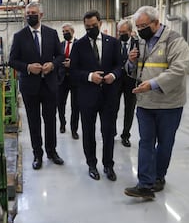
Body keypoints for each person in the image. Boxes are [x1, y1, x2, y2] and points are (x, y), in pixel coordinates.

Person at [124, 6, 189, 199]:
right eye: (137, 27)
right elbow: (134, 71)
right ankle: (145, 184)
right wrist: (130, 62)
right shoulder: (141, 42)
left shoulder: (175, 41)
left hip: (169, 104)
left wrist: (152, 84)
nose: (140, 30)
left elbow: (179, 70)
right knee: (145, 142)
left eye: (143, 25)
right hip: (145, 103)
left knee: (164, 143)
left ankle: (159, 177)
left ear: (156, 22)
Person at [9, 2, 64, 170]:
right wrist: (27, 67)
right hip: (29, 86)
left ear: (41, 15)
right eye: (27, 13)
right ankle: (37, 154)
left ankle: (51, 151)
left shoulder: (51, 33)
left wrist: (53, 65)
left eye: (33, 13)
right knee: (33, 122)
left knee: (50, 120)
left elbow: (60, 55)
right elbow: (12, 60)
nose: (30, 16)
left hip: (49, 85)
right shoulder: (19, 36)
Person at [70, 10, 122, 181]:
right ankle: (91, 164)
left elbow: (119, 66)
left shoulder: (113, 43)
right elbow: (73, 71)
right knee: (88, 132)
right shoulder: (79, 45)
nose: (91, 29)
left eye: (93, 26)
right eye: (87, 27)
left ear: (100, 23)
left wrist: (112, 76)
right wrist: (90, 76)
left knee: (108, 132)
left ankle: (108, 165)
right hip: (87, 96)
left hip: (109, 96)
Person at [116, 20, 137, 147]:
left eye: (124, 32)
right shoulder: (114, 44)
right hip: (116, 81)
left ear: (130, 31)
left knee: (129, 109)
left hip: (131, 81)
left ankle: (125, 135)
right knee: (113, 108)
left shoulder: (138, 44)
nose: (121, 34)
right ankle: (112, 131)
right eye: (120, 32)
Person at [57, 23, 80, 139]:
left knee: (75, 106)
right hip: (62, 79)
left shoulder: (79, 44)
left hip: (75, 79)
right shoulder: (60, 45)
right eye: (63, 32)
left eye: (67, 31)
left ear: (73, 31)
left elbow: (83, 61)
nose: (65, 33)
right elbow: (56, 60)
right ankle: (62, 124)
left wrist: (72, 64)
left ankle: (74, 129)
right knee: (60, 104)